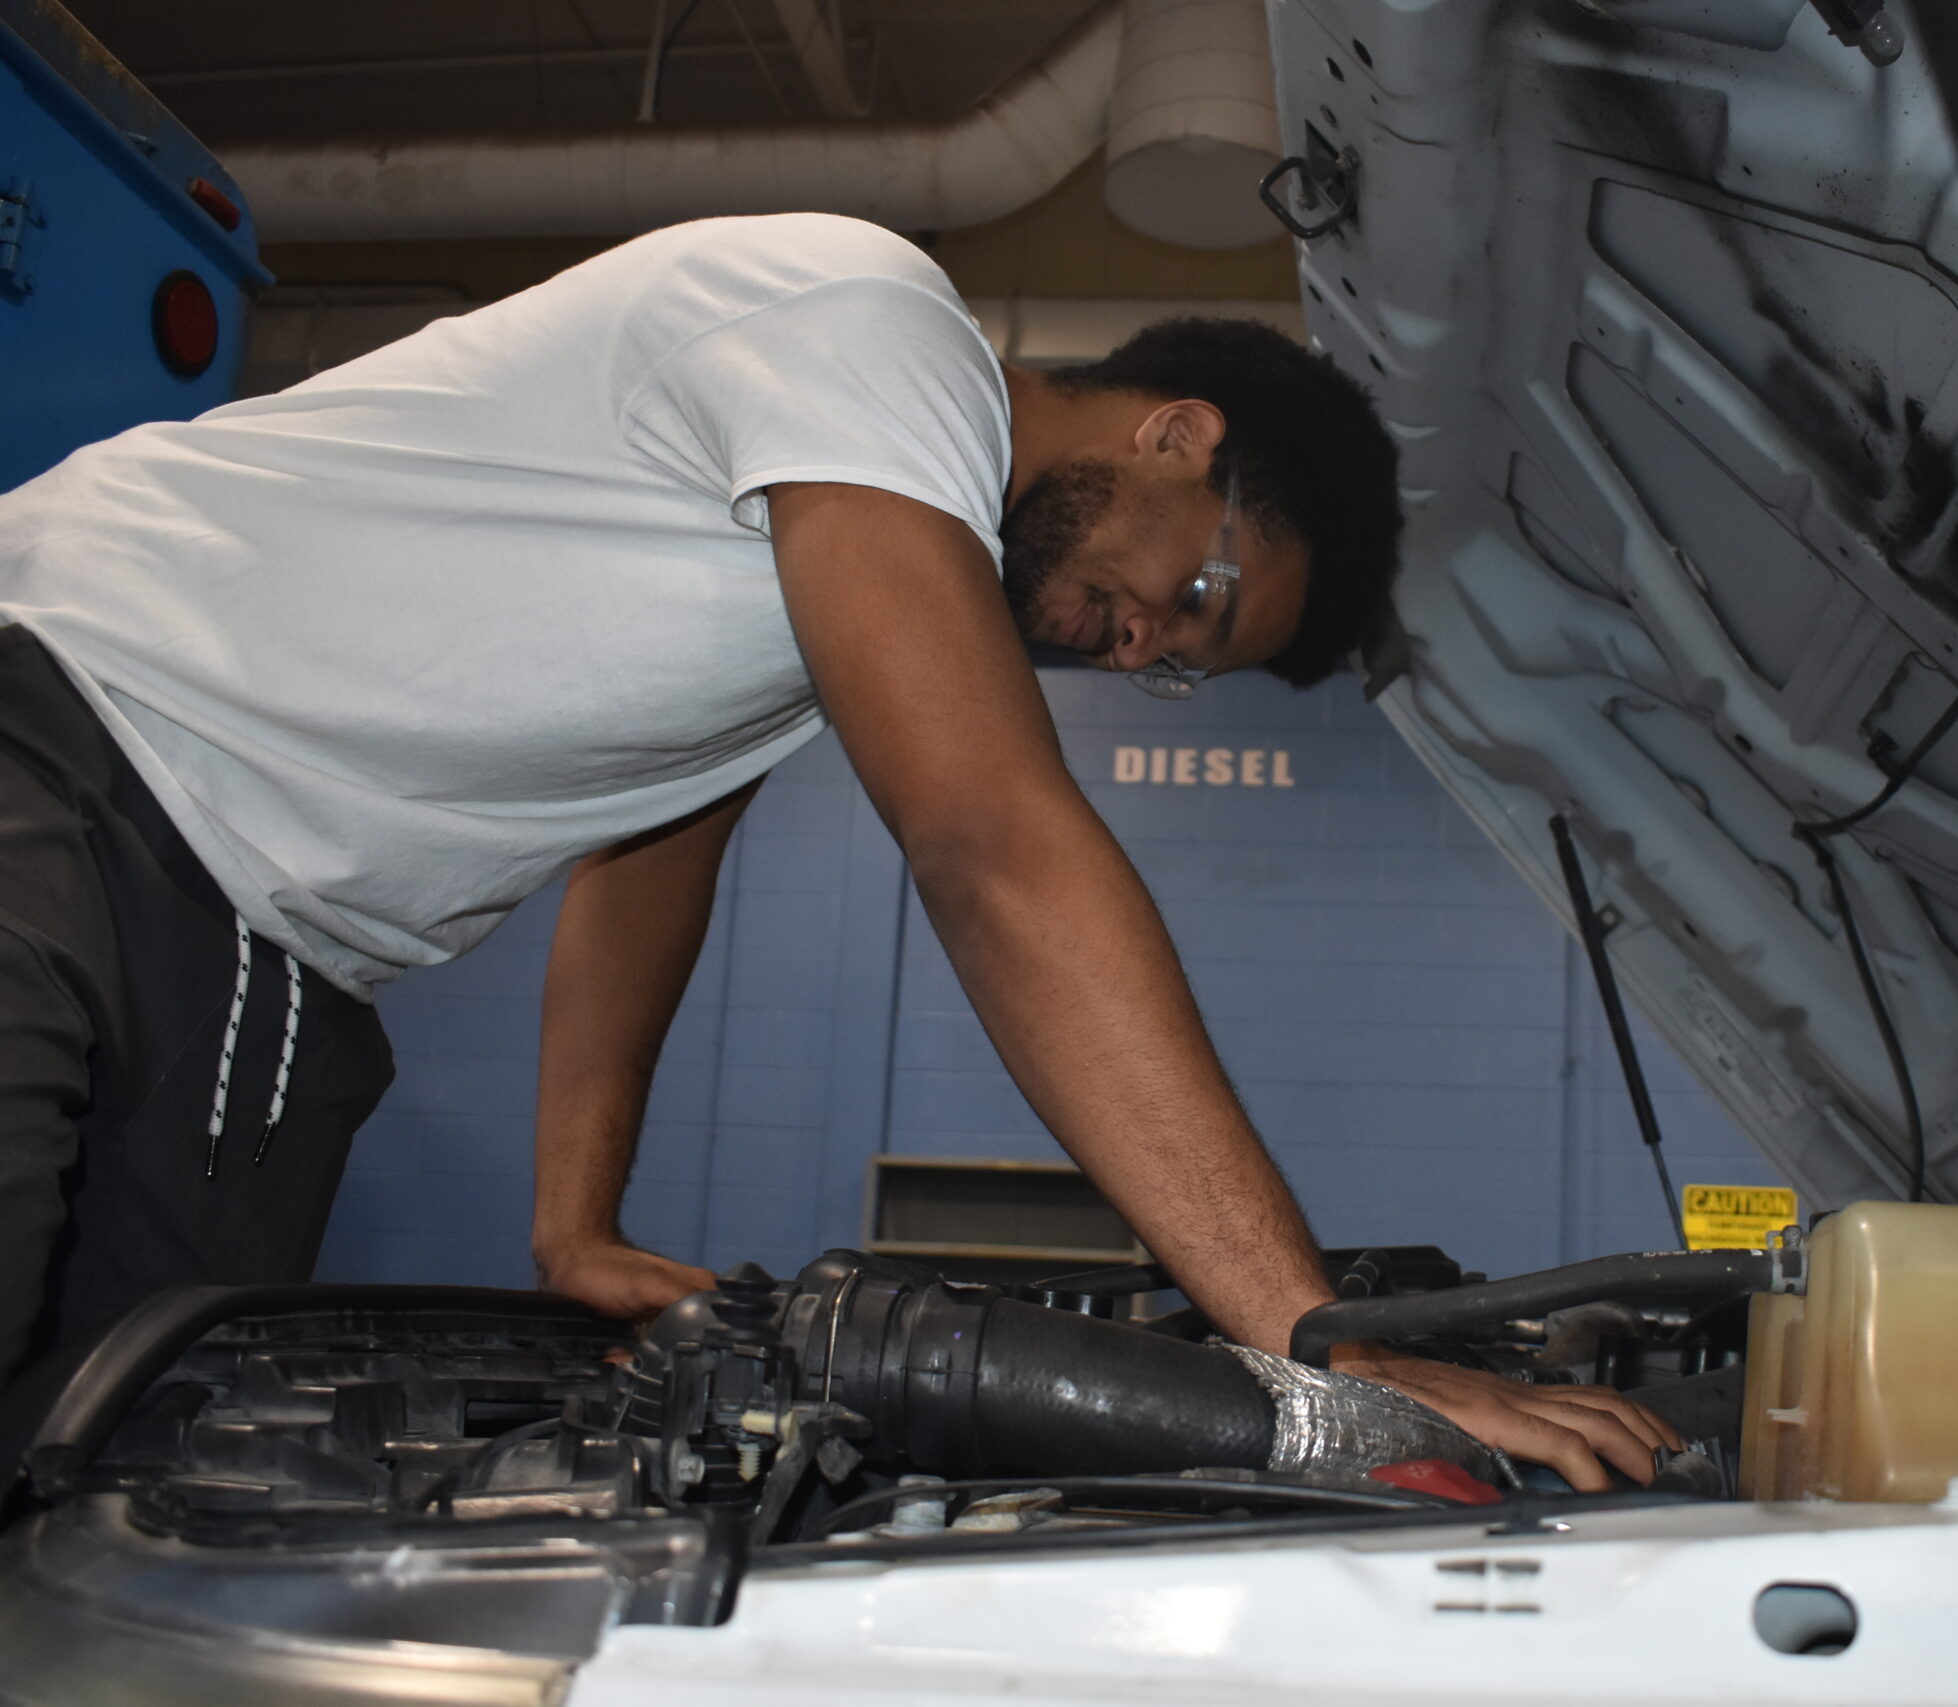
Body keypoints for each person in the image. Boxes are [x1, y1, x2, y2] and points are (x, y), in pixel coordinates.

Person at [0, 213, 1676, 1487]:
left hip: (267, 956)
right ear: (1175, 433)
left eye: (1181, 658)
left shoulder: (819, 602)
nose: (1139, 641)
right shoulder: (870, 322)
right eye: (1200, 593)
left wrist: (574, 1226)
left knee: (120, 1473)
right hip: (66, 731)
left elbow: (646, 859)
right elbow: (989, 845)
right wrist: (1310, 1342)